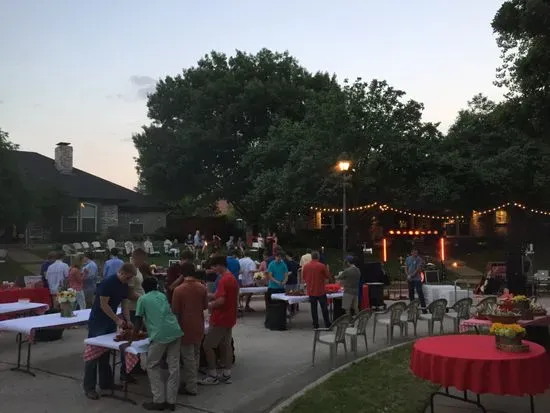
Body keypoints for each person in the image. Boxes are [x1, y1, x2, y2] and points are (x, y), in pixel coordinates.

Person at [83, 263, 136, 400]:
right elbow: (103, 304)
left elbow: (125, 303)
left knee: (106, 353)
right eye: (127, 277)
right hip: (98, 321)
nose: (128, 281)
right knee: (93, 354)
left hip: (109, 322)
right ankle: (89, 387)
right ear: (121, 273)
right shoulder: (108, 282)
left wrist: (127, 319)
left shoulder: (124, 285)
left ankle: (106, 382)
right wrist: (117, 320)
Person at [130, 277, 183, 411]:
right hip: (175, 331)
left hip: (160, 335)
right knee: (173, 366)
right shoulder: (162, 295)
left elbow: (138, 320)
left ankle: (159, 400)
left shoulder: (142, 299)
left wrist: (132, 338)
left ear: (143, 287)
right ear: (156, 286)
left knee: (152, 365)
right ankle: (171, 401)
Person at [200, 255, 239, 385]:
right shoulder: (231, 277)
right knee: (226, 345)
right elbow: (222, 295)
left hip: (220, 318)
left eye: (214, 267)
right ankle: (227, 373)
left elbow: (221, 301)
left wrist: (207, 305)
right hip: (230, 317)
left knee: (207, 345)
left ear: (220, 265)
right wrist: (209, 295)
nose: (213, 270)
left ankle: (212, 374)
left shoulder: (224, 280)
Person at [171, 263, 208, 396]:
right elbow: (205, 306)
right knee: (196, 354)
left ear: (182, 274)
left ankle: (191, 386)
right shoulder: (202, 288)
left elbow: (175, 311)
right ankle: (192, 380)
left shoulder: (178, 290)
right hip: (199, 324)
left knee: (188, 357)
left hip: (184, 326)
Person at [302, 251, 331, 329]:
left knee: (313, 308)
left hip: (311, 290)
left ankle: (315, 325)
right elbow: (327, 276)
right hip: (320, 290)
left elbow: (304, 277)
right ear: (318, 257)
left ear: (311, 257)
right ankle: (327, 324)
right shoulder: (322, 266)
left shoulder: (306, 266)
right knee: (324, 308)